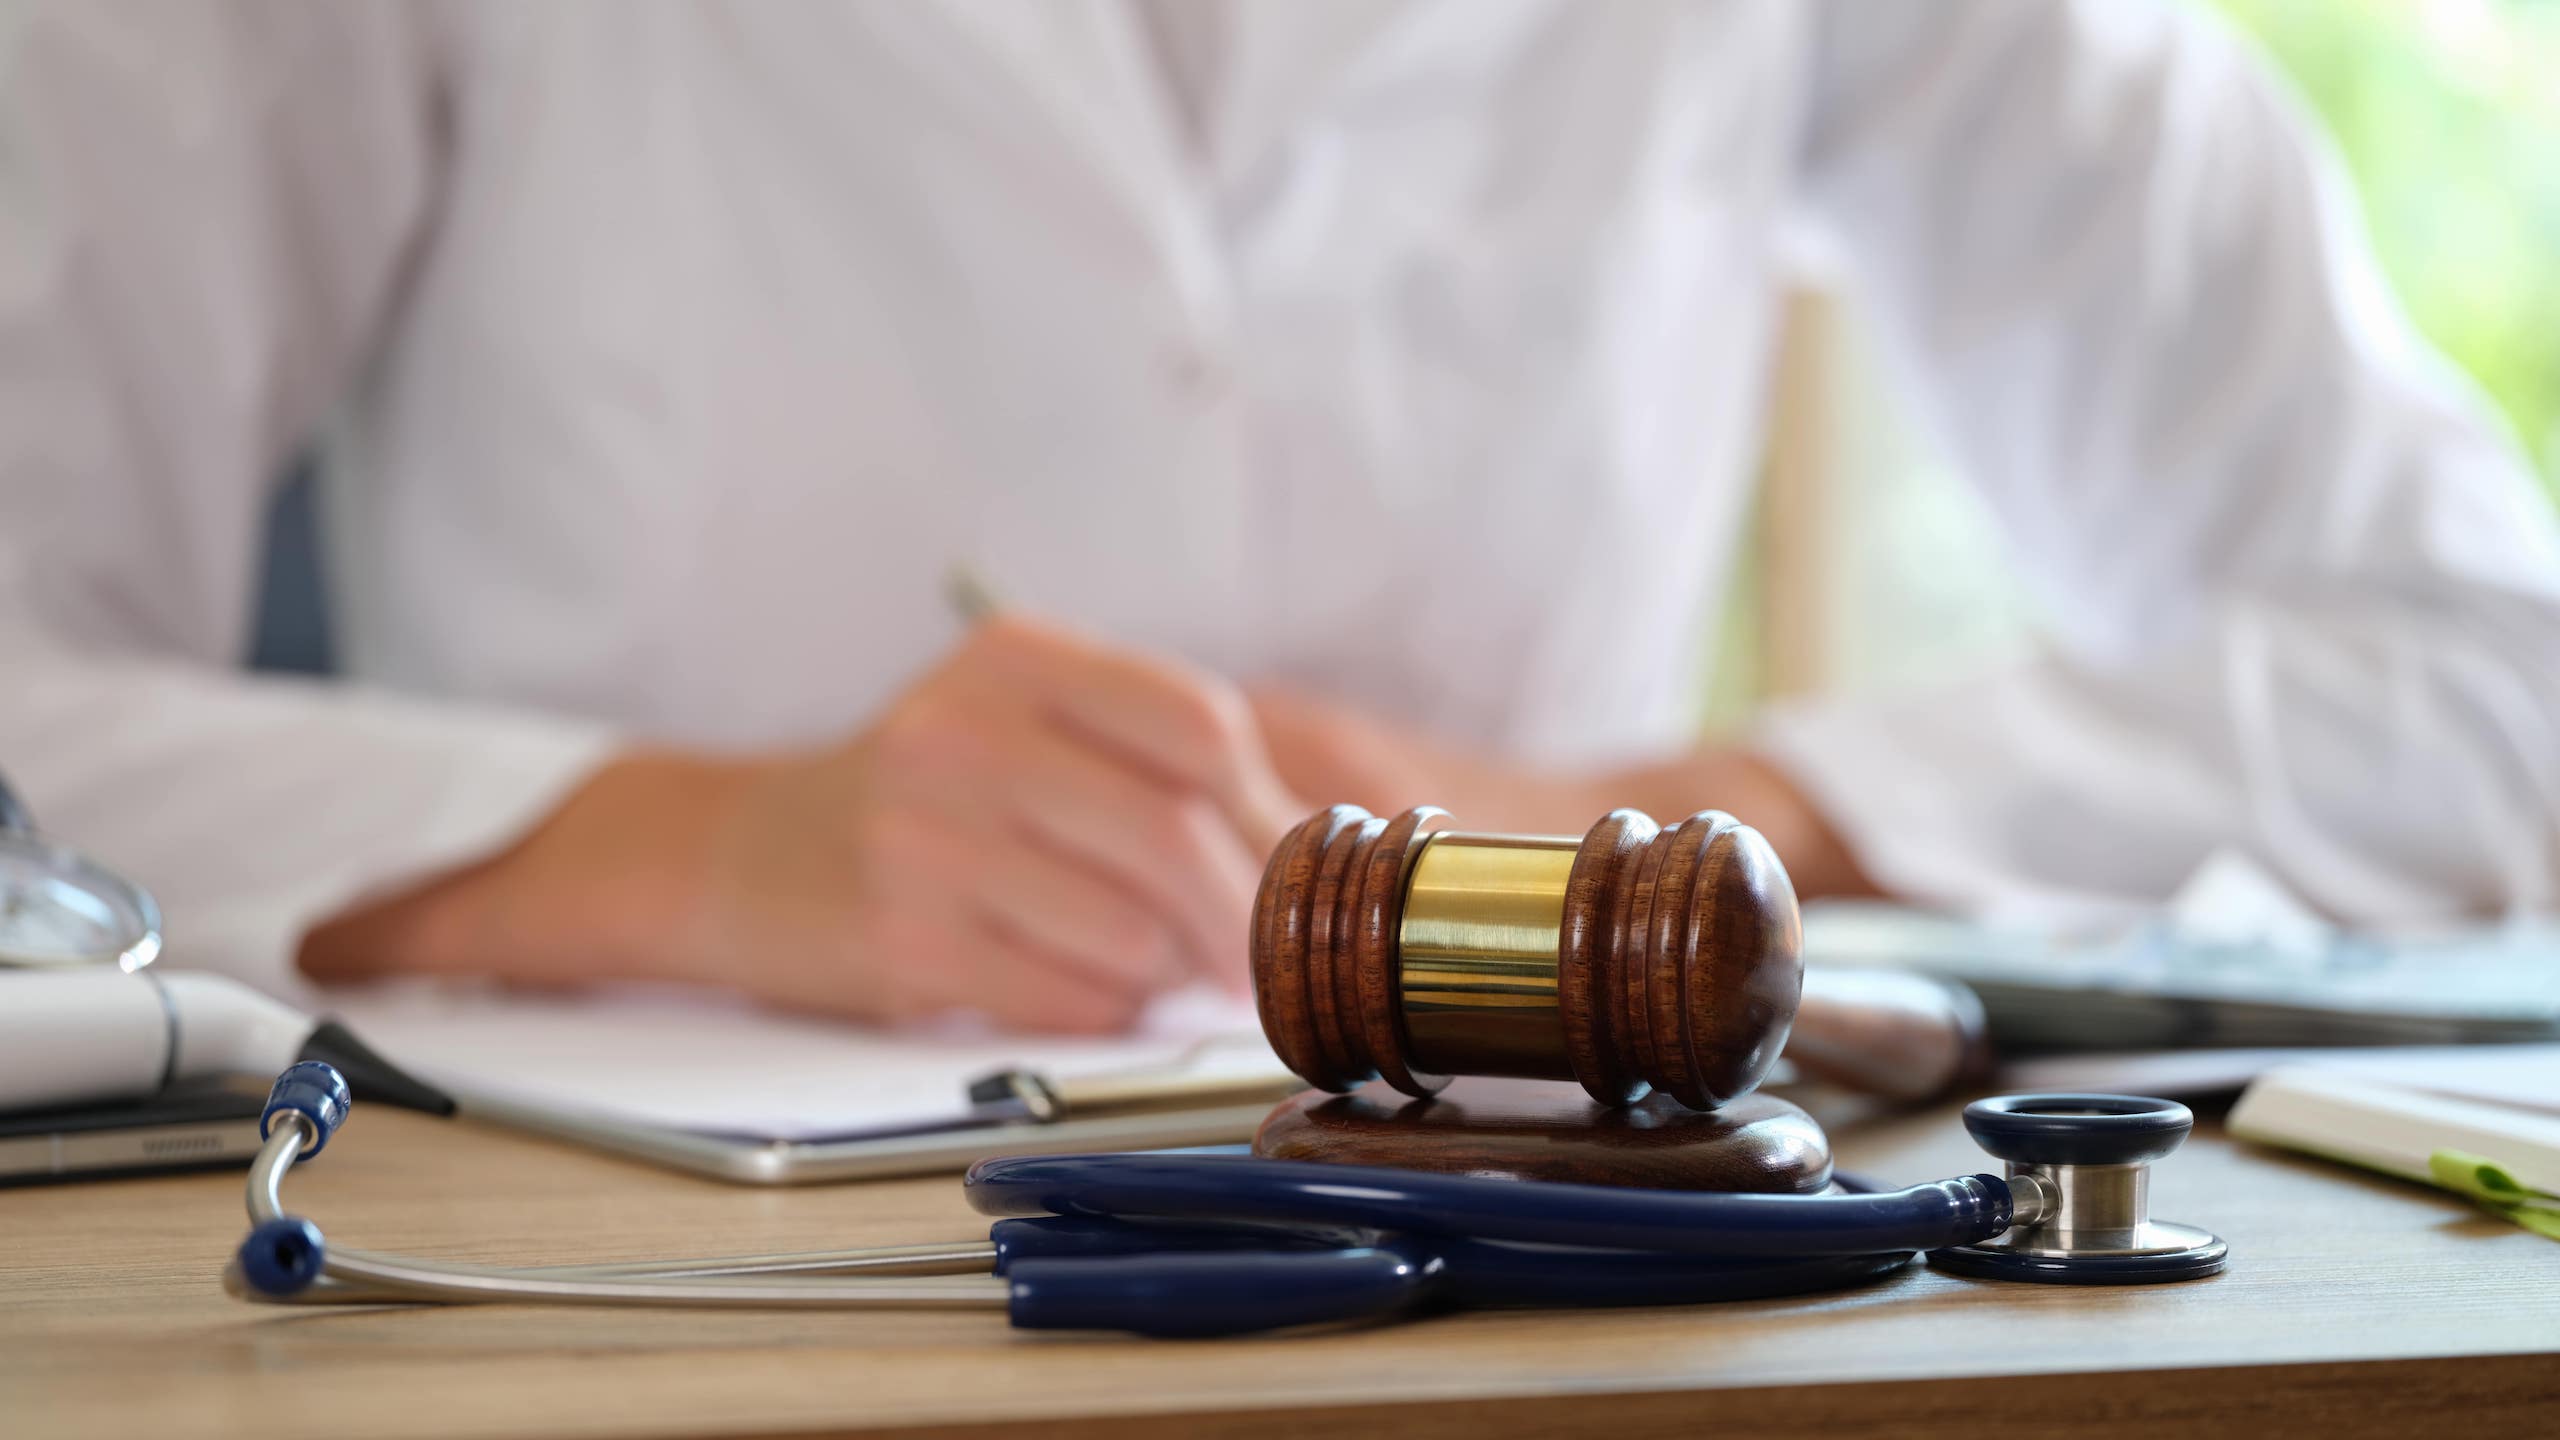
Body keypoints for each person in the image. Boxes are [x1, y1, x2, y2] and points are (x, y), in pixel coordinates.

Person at [3, 2, 2554, 1035]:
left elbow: (2486, 680)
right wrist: (653, 850)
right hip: (619, 1301)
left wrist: (1681, 831)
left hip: (1582, 1315)